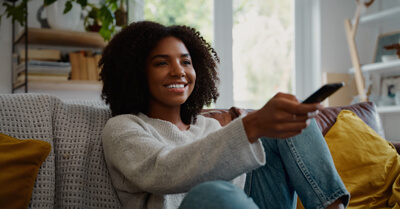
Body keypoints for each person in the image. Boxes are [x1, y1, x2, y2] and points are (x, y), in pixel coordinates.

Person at [99, 21, 350, 209]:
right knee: (213, 192)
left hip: (242, 201)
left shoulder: (206, 126)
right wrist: (251, 125)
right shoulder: (123, 127)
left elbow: (236, 184)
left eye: (186, 62)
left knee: (294, 123)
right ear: (135, 74)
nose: (179, 71)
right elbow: (164, 170)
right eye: (162, 63)